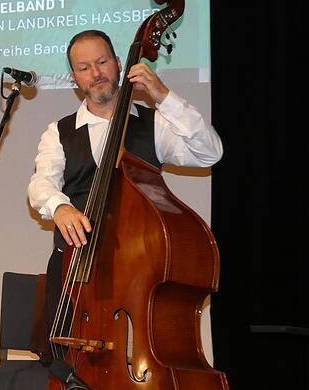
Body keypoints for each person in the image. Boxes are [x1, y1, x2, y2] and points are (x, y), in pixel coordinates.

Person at [27, 30, 223, 358]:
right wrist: (60, 208)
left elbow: (209, 153)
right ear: (75, 78)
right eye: (85, 67)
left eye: (102, 62)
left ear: (119, 64)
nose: (96, 73)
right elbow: (40, 185)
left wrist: (163, 96)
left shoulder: (154, 125)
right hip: (75, 273)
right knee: (66, 366)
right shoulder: (58, 132)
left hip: (139, 273)